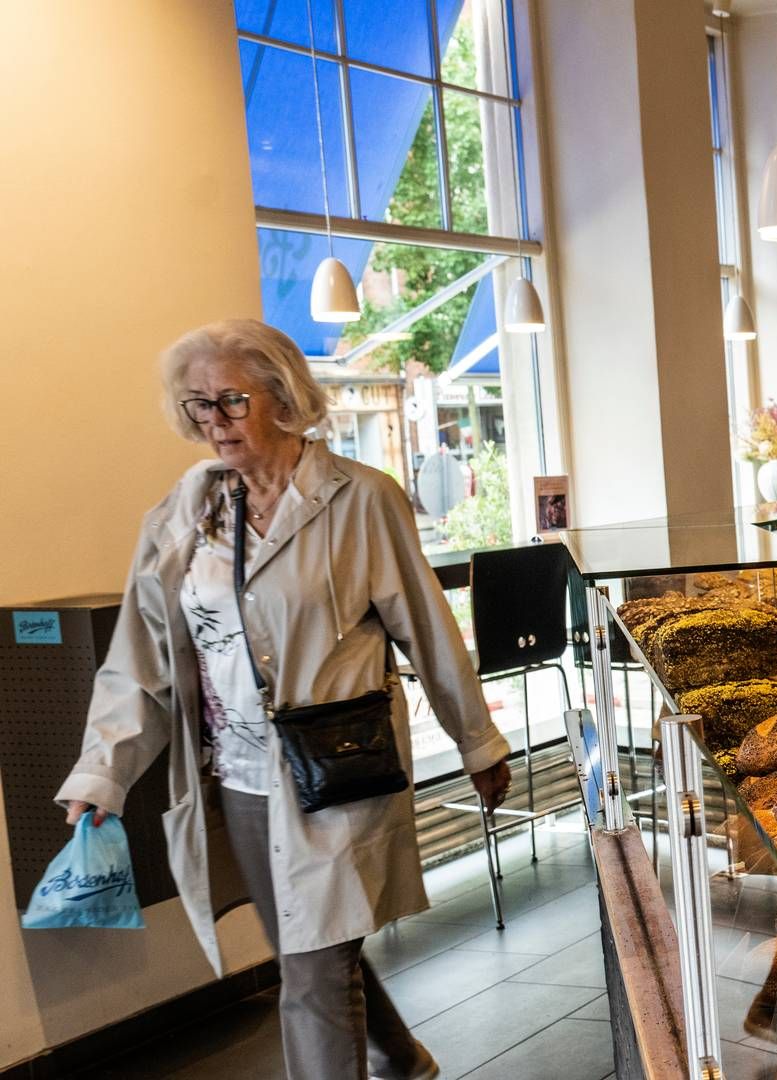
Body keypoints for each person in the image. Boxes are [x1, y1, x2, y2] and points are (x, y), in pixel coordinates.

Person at [56, 318, 514, 1080]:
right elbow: (141, 658)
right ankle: (402, 1057)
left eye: (231, 400)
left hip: (340, 768)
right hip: (238, 778)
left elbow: (429, 632)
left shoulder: (361, 499)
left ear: (283, 396)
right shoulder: (185, 515)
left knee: (309, 974)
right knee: (311, 945)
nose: (214, 421)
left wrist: (479, 744)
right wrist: (104, 771)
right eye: (198, 404)